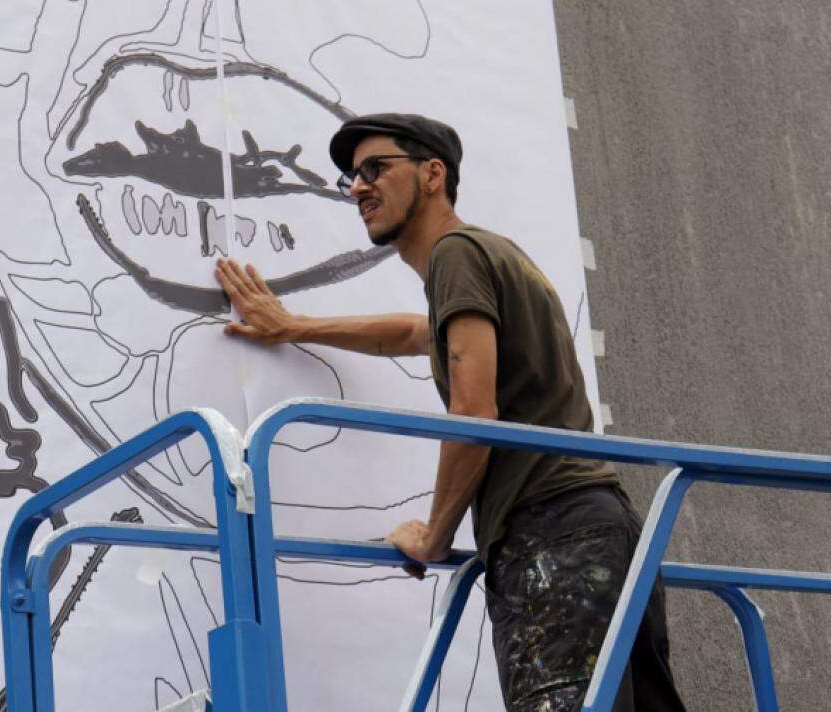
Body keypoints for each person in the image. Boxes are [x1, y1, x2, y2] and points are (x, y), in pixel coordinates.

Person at [214, 113, 687, 712]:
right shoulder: (490, 256)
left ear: (433, 174)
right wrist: (295, 326)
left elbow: (474, 410)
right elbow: (413, 334)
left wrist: (435, 535)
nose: (358, 187)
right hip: (602, 534)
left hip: (552, 536)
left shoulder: (457, 256)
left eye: (375, 169)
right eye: (349, 178)